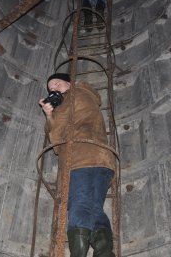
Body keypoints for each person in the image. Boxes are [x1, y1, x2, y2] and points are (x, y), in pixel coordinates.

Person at [38, 73, 116, 257]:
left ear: (70, 82)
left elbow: (56, 140)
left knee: (78, 206)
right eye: (50, 88)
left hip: (80, 158)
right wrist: (52, 113)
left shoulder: (75, 95)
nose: (53, 89)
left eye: (57, 83)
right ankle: (104, 253)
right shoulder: (86, 95)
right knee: (95, 209)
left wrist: (50, 114)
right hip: (102, 159)